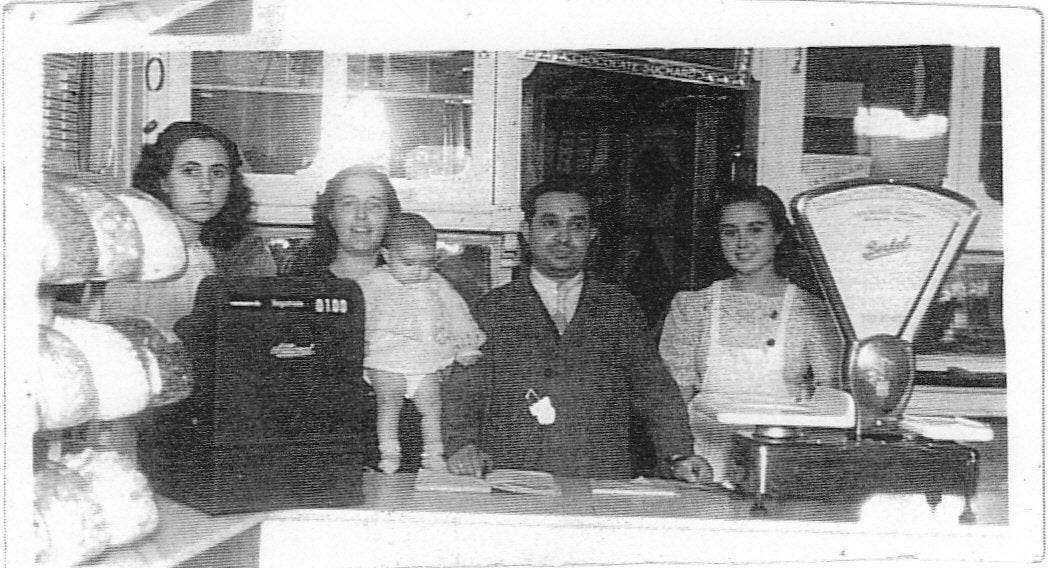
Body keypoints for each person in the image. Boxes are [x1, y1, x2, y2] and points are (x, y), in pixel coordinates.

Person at [442, 178, 711, 482]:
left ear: (592, 234)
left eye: (577, 225)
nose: (563, 238)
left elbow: (656, 391)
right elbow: (463, 393)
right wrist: (461, 446)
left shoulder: (619, 308)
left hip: (598, 478)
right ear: (527, 232)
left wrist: (678, 454)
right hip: (512, 478)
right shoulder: (491, 310)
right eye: (550, 223)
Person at [659, 185, 843, 483]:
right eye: (730, 232)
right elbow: (671, 397)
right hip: (701, 461)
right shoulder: (693, 306)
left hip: (778, 461)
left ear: (779, 235)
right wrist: (677, 457)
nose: (742, 243)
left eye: (755, 230)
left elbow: (830, 398)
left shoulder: (811, 311)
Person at [100, 121, 275, 338]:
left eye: (218, 172)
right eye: (190, 171)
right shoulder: (143, 259)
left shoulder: (215, 252)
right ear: (163, 181)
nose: (206, 186)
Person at [358, 213, 485, 474]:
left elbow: (456, 313)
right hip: (386, 357)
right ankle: (390, 453)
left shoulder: (437, 284)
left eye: (427, 263)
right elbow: (358, 320)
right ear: (386, 255)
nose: (419, 271)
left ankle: (433, 454)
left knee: (431, 406)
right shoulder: (371, 284)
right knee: (389, 402)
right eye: (408, 263)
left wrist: (465, 346)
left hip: (425, 357)